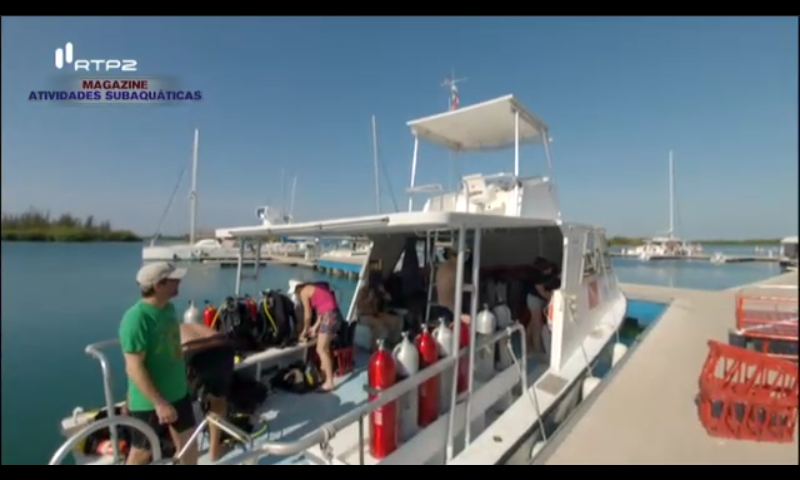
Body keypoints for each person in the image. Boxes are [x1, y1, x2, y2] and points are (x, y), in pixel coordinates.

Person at [120, 262, 198, 465]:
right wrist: (159, 403)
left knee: (189, 444)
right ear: (158, 285)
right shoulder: (137, 318)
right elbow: (134, 366)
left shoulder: (169, 309)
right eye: (173, 279)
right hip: (150, 402)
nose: (179, 282)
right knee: (142, 452)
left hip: (178, 394)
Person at [181, 323, 235, 462]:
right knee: (218, 399)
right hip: (222, 347)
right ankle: (214, 451)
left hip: (191, 350)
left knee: (182, 403)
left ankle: (183, 451)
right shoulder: (193, 325)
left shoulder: (165, 331)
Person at [295, 282, 342, 392]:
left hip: (329, 317)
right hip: (336, 315)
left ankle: (330, 382)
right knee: (325, 348)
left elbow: (308, 315)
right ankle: (324, 375)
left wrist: (305, 331)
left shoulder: (303, 292)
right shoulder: (318, 288)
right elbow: (322, 312)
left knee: (321, 349)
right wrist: (314, 328)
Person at [356, 272, 403, 349]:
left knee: (397, 320)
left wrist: (383, 293)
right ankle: (374, 348)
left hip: (377, 314)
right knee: (380, 327)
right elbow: (359, 305)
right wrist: (369, 299)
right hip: (364, 315)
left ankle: (393, 344)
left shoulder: (378, 291)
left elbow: (389, 299)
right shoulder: (363, 291)